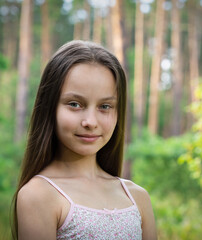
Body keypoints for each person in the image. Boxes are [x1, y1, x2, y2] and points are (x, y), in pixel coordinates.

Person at [12, 40, 157, 240]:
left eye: (105, 106)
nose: (90, 122)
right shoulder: (39, 195)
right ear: (50, 107)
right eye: (75, 104)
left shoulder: (137, 197)